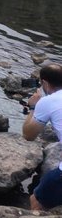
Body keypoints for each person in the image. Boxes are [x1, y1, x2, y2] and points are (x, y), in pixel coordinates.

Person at [23, 62, 62, 210]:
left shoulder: (47, 101)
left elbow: (28, 135)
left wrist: (33, 106)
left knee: (36, 200)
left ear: (44, 82)